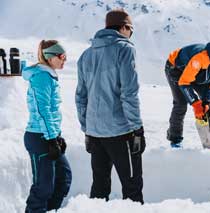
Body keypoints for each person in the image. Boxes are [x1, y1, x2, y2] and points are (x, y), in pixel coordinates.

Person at [75, 9, 145, 204]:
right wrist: (137, 129)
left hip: (95, 134)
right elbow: (129, 93)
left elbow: (81, 97)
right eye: (130, 29)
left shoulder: (85, 55)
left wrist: (87, 129)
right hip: (121, 133)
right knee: (132, 189)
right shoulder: (125, 49)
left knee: (99, 188)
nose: (131, 34)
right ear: (123, 27)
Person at [22, 40, 72, 213]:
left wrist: (57, 136)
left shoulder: (49, 76)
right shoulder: (42, 77)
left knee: (63, 179)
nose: (64, 60)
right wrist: (52, 138)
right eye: (61, 56)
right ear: (50, 57)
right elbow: (42, 110)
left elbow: (50, 111)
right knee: (43, 187)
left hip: (49, 136)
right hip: (38, 137)